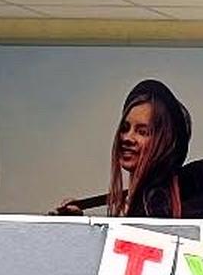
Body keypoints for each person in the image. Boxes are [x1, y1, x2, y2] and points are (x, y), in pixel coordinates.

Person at [55, 79, 193, 220]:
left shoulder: (162, 204)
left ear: (164, 142)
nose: (127, 138)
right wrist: (76, 226)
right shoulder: (129, 203)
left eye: (142, 132)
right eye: (125, 128)